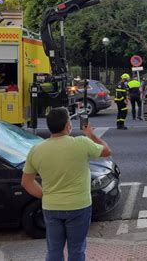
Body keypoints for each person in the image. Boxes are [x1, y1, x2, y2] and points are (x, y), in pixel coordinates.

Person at [21, 107, 112, 261]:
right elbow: (107, 151)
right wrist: (90, 134)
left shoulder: (36, 150)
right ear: (68, 125)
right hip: (79, 206)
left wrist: (46, 195)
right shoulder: (81, 143)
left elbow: (26, 182)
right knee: (76, 250)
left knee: (54, 251)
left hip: (52, 207)